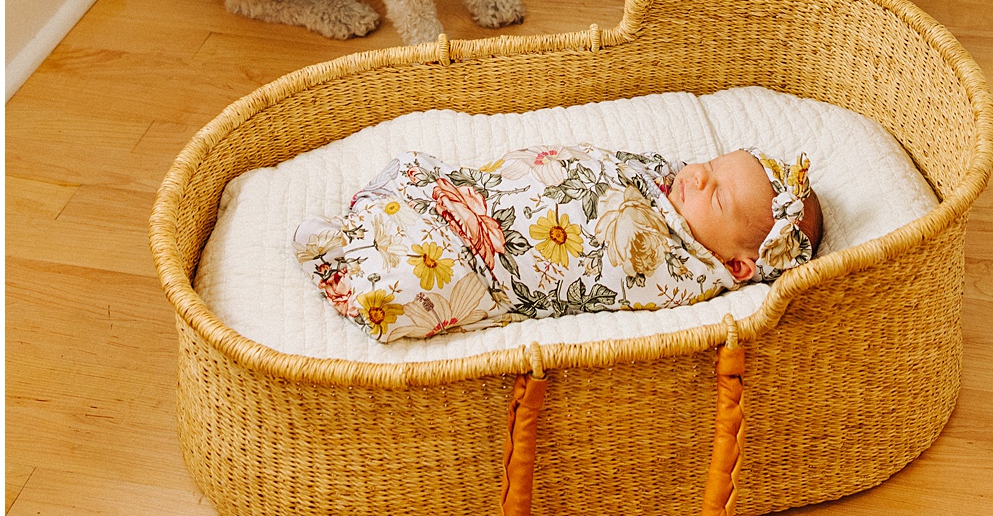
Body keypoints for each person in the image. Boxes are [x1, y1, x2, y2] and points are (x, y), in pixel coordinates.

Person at [294, 143, 822, 344]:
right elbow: (601, 168)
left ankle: (348, 261)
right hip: (491, 201)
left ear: (739, 263)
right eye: (711, 165)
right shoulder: (663, 178)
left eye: (721, 198)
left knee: (434, 281)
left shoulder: (685, 270)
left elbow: (610, 268)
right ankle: (366, 228)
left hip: (500, 265)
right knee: (451, 189)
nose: (700, 178)